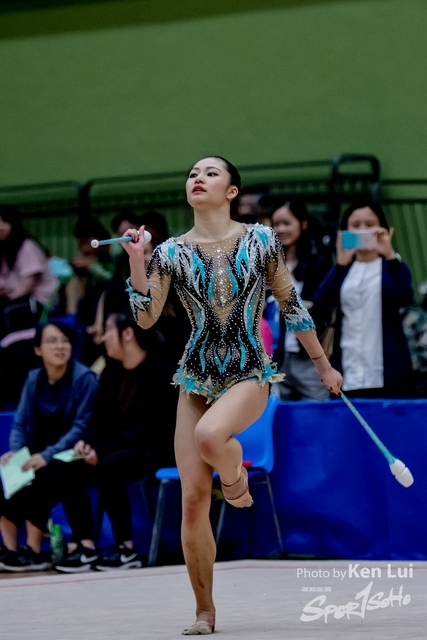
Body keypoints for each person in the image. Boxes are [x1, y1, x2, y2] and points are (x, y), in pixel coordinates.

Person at [123, 156, 342, 635]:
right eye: (191, 174)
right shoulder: (170, 252)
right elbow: (145, 317)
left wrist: (323, 365)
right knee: (192, 502)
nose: (197, 178)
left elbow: (291, 304)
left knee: (209, 436)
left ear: (231, 191)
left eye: (210, 173)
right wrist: (138, 260)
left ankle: (235, 478)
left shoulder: (261, 240)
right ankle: (205, 610)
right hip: (195, 380)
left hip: (249, 372)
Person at [54, 310, 178, 573]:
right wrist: (86, 443)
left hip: (156, 450)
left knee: (108, 467)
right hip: (115, 447)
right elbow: (99, 420)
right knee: (66, 466)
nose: (103, 339)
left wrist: (100, 450)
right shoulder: (111, 371)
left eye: (108, 331)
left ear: (128, 333)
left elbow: (151, 431)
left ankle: (126, 549)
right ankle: (86, 547)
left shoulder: (161, 371)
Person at [0, 322, 98, 572]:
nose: (60, 346)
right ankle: (10, 551)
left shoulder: (84, 378)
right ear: (38, 349)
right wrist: (16, 452)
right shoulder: (34, 378)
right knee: (10, 473)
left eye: (64, 341)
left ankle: (33, 551)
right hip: (38, 453)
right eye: (52, 341)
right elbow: (20, 423)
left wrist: (46, 456)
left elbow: (81, 427)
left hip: (72, 453)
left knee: (46, 477)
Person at [314, 200, 414, 398]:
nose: (363, 230)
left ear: (382, 229)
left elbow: (404, 298)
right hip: (347, 369)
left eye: (370, 224)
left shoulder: (393, 267)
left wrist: (390, 255)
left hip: (386, 370)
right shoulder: (342, 270)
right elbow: (321, 303)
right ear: (345, 231)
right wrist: (340, 265)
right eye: (356, 225)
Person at [266, 198, 333, 400]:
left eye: (287, 223)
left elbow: (324, 305)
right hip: (275, 356)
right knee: (276, 412)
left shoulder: (319, 264)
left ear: (303, 224)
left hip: (309, 357)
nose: (281, 229)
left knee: (317, 409)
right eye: (276, 224)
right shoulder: (267, 265)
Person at [0, 205, 58, 408]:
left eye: (3, 221)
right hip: (13, 302)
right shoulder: (4, 250)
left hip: (35, 303)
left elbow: (27, 284)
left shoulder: (27, 246)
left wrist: (7, 297)